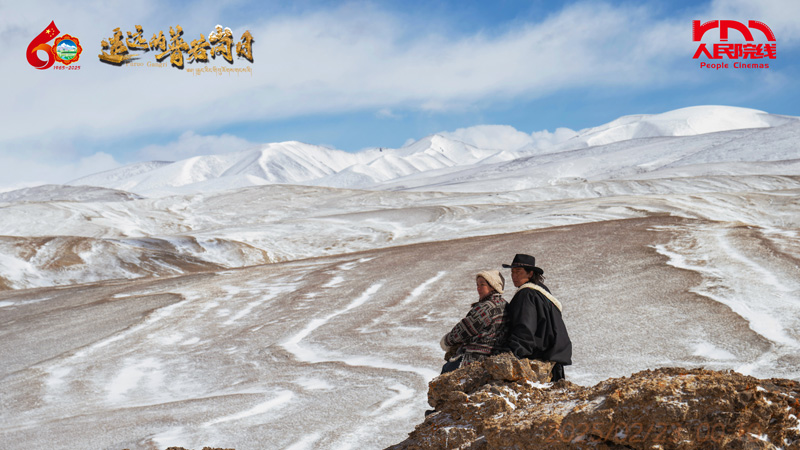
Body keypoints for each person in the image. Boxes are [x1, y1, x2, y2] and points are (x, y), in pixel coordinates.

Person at [500, 253, 572, 382]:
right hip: (552, 362)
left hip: (537, 360)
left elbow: (525, 328)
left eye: (518, 272)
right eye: (512, 272)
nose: (514, 276)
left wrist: (511, 354)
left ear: (530, 273)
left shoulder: (526, 294)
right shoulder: (542, 292)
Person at [439, 270, 509, 374]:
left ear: (493, 286)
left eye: (482, 284)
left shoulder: (486, 308)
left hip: (475, 358)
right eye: (477, 285)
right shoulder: (504, 304)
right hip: (495, 355)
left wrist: (447, 341)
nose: (478, 288)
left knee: (446, 371)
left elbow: (464, 329)